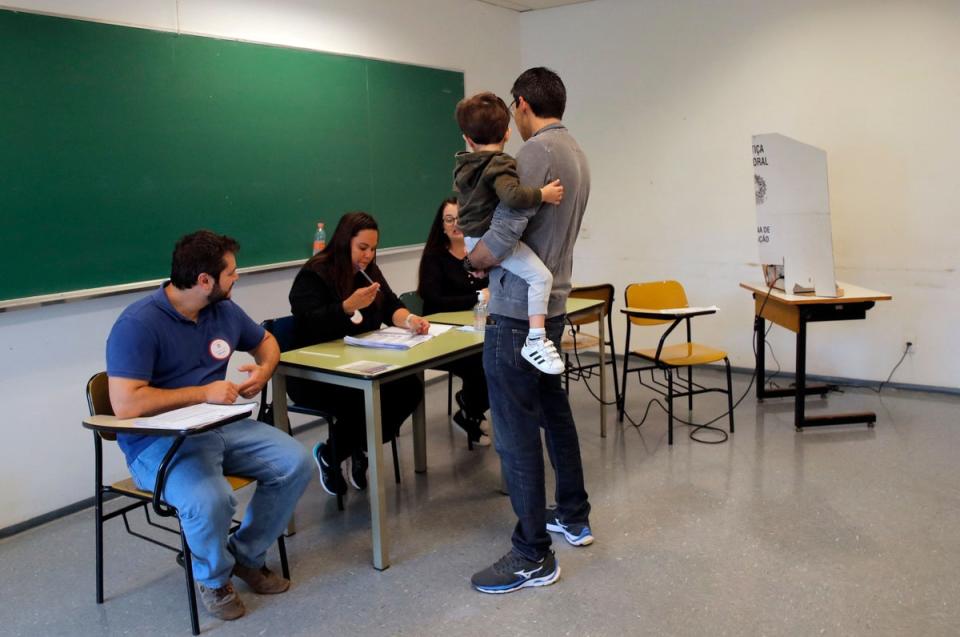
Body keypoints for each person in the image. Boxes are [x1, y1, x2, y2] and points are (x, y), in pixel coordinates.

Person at [106, 230, 313, 621]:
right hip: (158, 443)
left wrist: (264, 370)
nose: (237, 279)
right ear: (204, 281)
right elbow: (126, 403)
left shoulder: (223, 311)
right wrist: (202, 393)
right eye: (232, 273)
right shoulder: (137, 323)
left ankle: (245, 556)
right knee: (211, 500)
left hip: (219, 427)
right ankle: (214, 579)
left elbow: (266, 341)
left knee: (295, 463)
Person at [465, 68, 594, 594]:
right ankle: (572, 515)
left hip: (516, 312)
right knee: (553, 412)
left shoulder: (534, 154)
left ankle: (531, 555)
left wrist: (475, 262)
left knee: (516, 434)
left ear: (521, 105)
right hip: (551, 302)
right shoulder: (576, 151)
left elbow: (505, 229)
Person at [287, 211, 429, 496]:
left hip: (360, 363)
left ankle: (341, 450)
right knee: (363, 398)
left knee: (408, 388)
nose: (368, 255)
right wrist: (345, 307)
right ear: (343, 242)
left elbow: (390, 305)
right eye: (362, 248)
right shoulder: (315, 273)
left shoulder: (368, 272)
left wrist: (410, 320)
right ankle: (343, 451)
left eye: (373, 248)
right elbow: (307, 322)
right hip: (315, 372)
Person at [454, 91, 566, 375]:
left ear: (467, 138)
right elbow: (513, 196)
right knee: (541, 277)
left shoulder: (464, 164)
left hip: (473, 239)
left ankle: (536, 338)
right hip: (489, 239)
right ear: (507, 134)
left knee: (527, 274)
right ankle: (536, 339)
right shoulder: (500, 164)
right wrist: (543, 193)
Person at [417, 196, 491, 448]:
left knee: (502, 359)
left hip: (475, 330)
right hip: (442, 339)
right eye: (449, 219)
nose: (455, 224)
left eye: (460, 218)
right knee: (482, 364)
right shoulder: (434, 257)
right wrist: (478, 296)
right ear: (441, 224)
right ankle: (470, 409)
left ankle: (468, 408)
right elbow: (434, 299)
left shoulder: (478, 252)